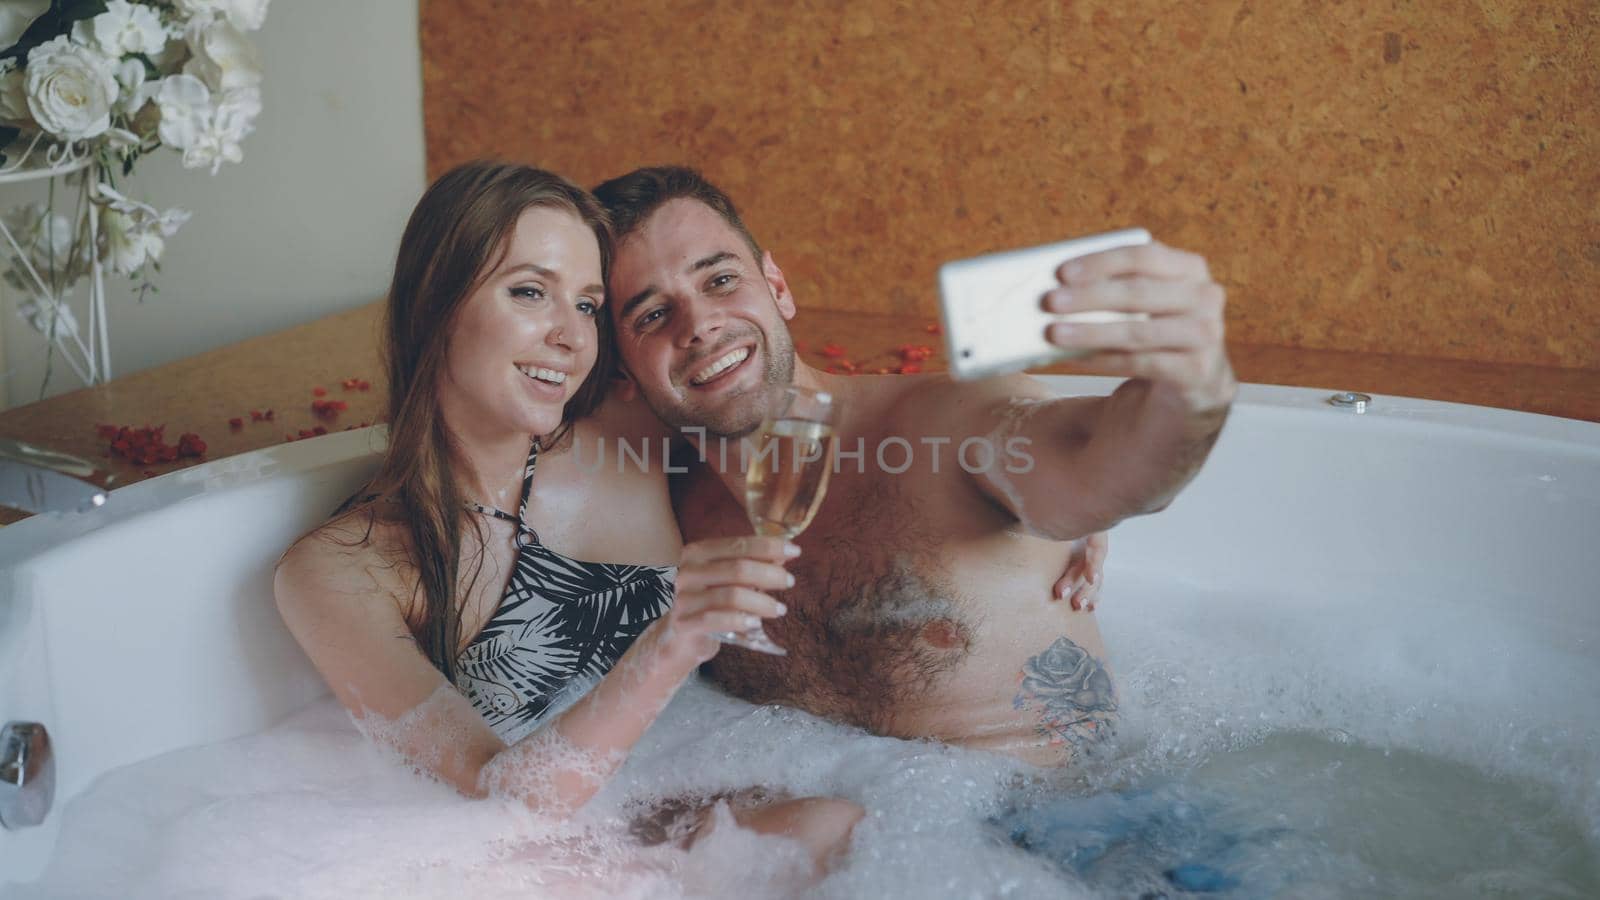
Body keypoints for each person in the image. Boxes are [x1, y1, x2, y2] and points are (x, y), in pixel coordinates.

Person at [272, 161, 866, 874]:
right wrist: (672, 643)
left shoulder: (630, 438)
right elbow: (498, 804)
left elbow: (772, 395)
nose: (570, 337)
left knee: (837, 825)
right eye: (530, 293)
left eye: (587, 306)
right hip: (526, 866)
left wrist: (1031, 476)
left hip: (700, 802)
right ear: (435, 303)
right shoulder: (341, 570)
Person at [592, 166, 1235, 767]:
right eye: (652, 314)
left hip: (1091, 824)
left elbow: (1111, 471)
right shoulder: (660, 512)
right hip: (872, 846)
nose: (700, 324)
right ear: (622, 368)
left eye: (721, 280)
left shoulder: (950, 422)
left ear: (777, 287)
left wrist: (1192, 387)